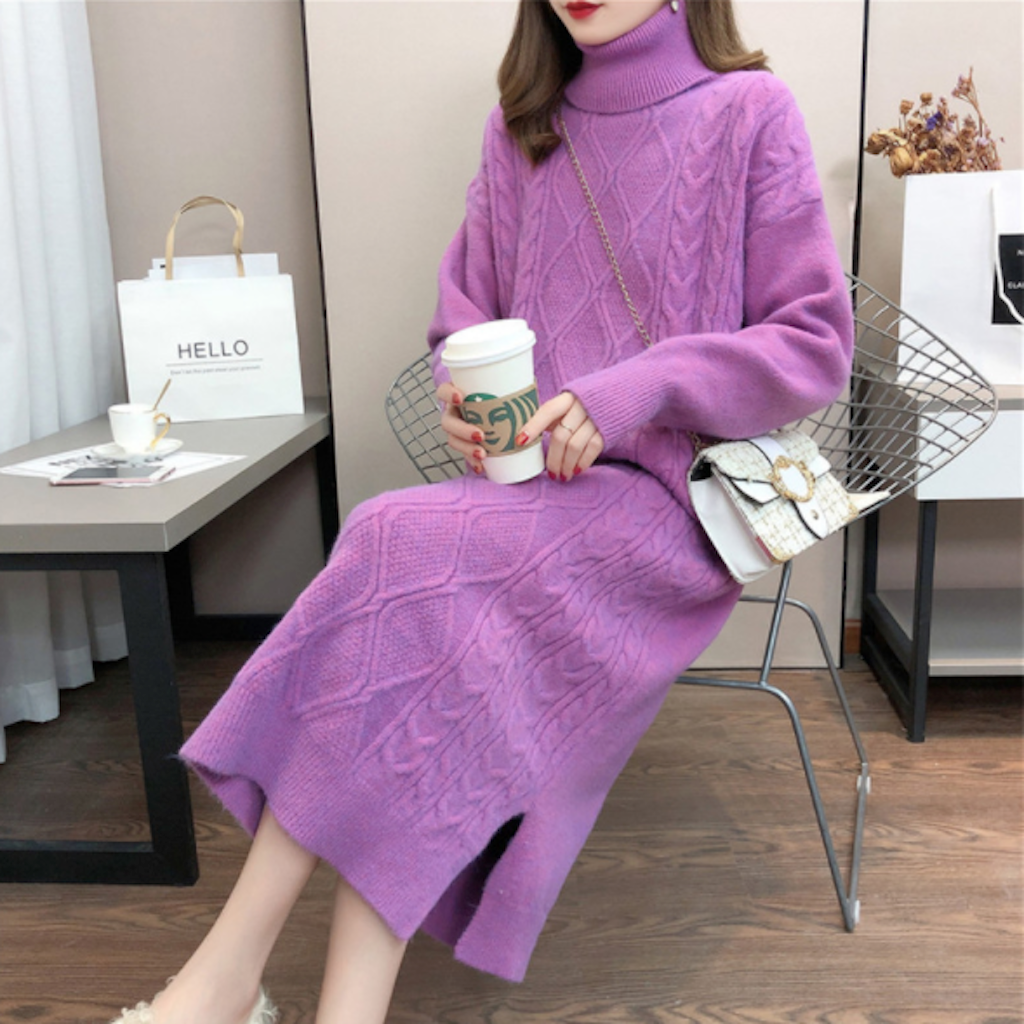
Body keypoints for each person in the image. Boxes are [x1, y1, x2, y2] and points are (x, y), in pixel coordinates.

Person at [109, 1, 853, 1022]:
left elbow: (813, 344)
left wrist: (637, 387)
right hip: (524, 496)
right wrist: (462, 403)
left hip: (664, 512)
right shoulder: (524, 128)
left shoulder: (749, 111)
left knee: (396, 546)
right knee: (418, 606)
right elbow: (464, 318)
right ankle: (292, 997)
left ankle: (226, 981)